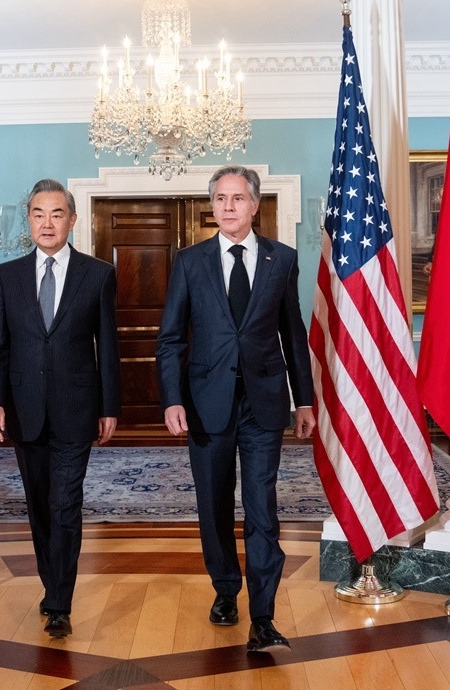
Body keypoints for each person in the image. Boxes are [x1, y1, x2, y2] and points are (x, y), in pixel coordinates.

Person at [156, 165, 315, 653]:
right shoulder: (190, 262)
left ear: (255, 205)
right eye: (220, 199)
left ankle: (263, 616)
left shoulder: (281, 260)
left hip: (263, 403)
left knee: (262, 507)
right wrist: (172, 398)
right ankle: (226, 589)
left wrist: (304, 399)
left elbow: (293, 333)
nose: (228, 206)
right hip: (207, 404)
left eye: (238, 198)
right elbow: (170, 339)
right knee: (214, 504)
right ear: (213, 206)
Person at [0, 179, 121, 639]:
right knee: (39, 506)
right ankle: (51, 584)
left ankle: (60, 602)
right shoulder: (6, 276)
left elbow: (107, 346)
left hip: (76, 408)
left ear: (72, 220)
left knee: (65, 504)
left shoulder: (97, 274)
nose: (47, 223)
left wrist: (110, 406)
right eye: (38, 214)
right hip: (23, 410)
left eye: (57, 214)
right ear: (29, 220)